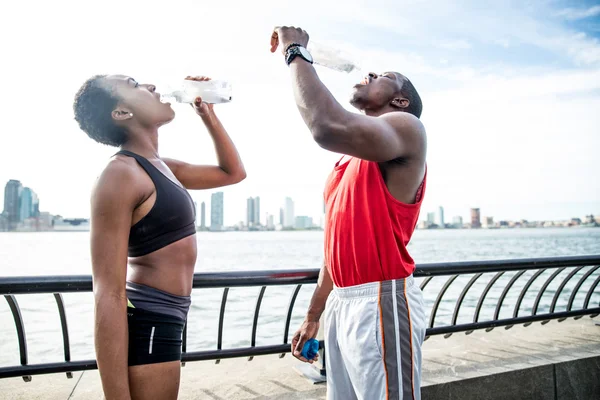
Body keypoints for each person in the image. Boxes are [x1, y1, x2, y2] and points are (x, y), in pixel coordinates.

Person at [271, 27, 428, 400]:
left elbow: (325, 126)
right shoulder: (346, 163)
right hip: (344, 303)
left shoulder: (407, 128)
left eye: (384, 77)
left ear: (401, 102)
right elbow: (333, 251)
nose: (370, 74)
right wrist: (314, 315)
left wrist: (296, 50)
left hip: (381, 298)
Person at [73, 75, 246, 400]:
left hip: (171, 316)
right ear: (122, 113)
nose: (152, 86)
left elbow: (232, 173)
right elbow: (108, 292)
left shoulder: (161, 166)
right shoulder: (121, 174)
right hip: (149, 320)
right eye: (134, 83)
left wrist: (207, 114)